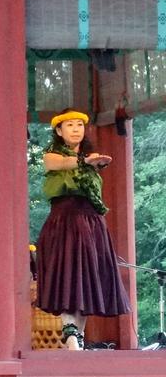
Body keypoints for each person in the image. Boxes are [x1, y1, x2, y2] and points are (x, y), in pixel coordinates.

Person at [35, 108, 131, 350]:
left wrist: (90, 162)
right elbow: (56, 163)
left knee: (86, 278)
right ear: (58, 130)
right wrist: (85, 160)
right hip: (65, 220)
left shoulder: (91, 158)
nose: (76, 129)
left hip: (91, 222)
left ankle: (76, 336)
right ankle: (70, 332)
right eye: (70, 125)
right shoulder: (52, 156)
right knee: (69, 273)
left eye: (79, 124)